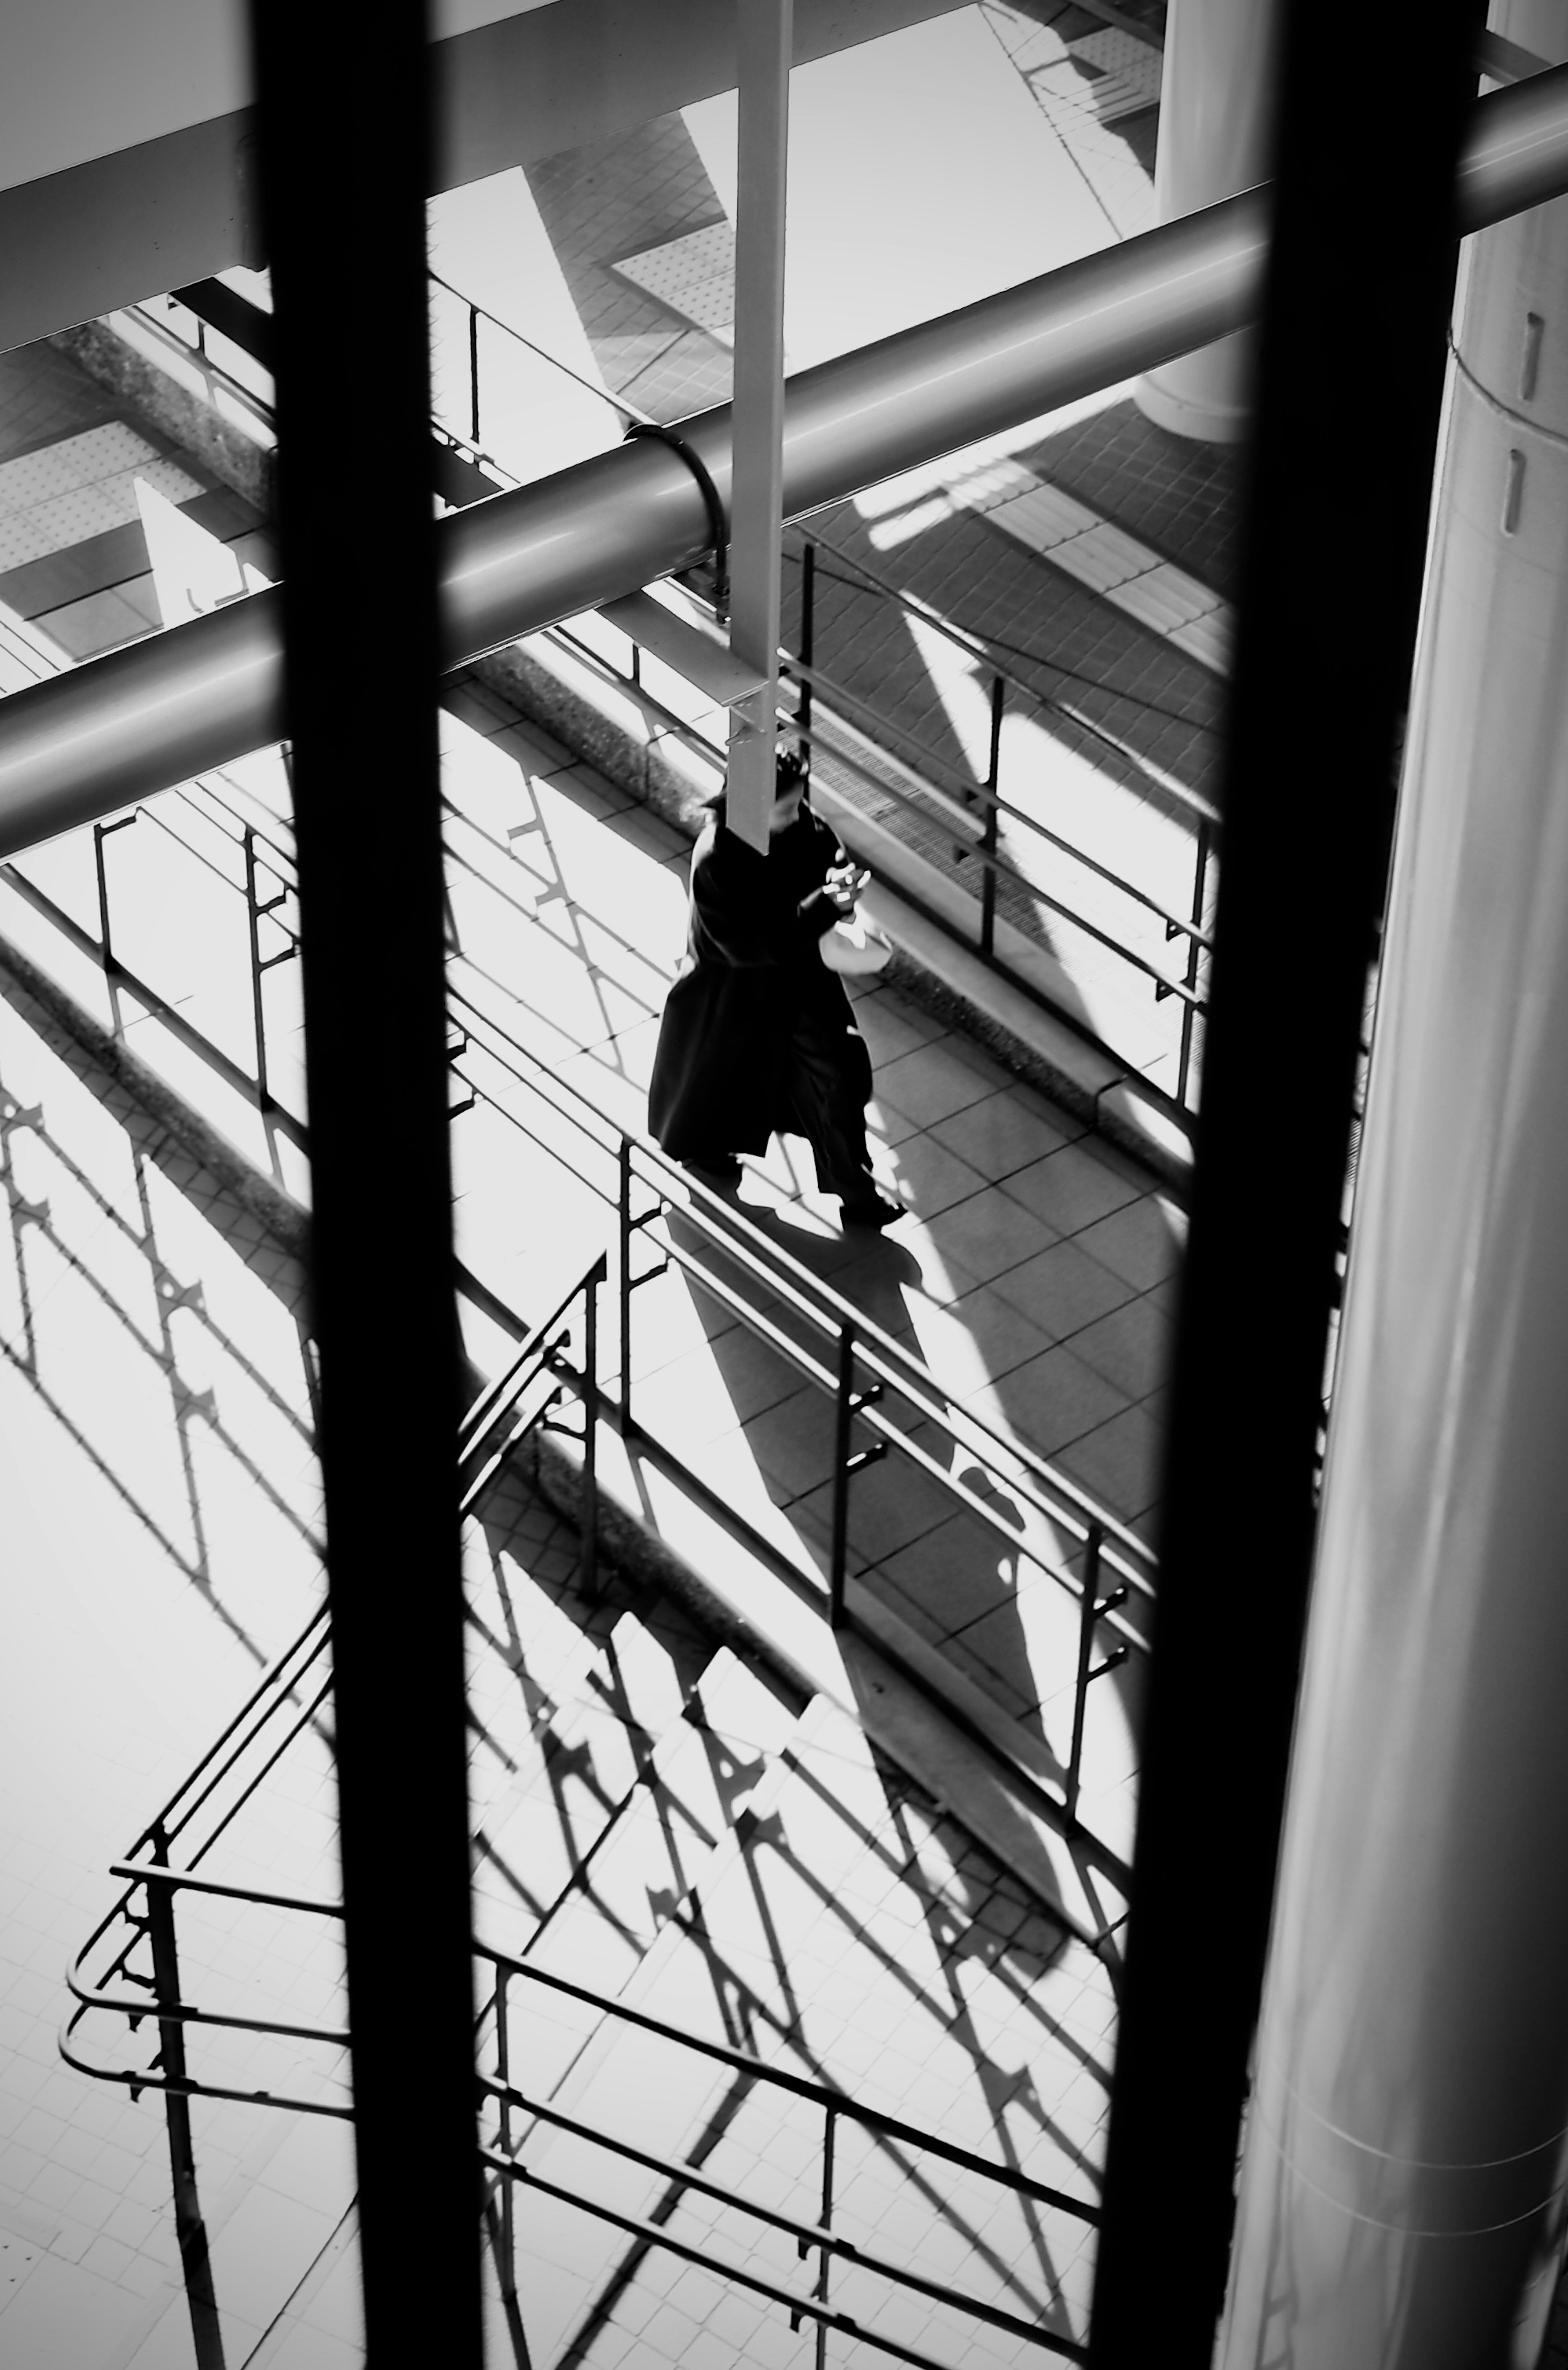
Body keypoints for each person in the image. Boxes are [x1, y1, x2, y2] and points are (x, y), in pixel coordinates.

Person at [648, 749, 901, 1227]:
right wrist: (829, 904)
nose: (797, 815)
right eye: (785, 808)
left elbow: (828, 855)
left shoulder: (803, 825)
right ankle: (710, 1150)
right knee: (725, 1085)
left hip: (795, 984)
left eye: (798, 805)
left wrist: (840, 889)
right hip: (734, 998)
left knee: (838, 1084)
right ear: (745, 804)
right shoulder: (718, 857)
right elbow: (752, 946)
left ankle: (858, 1193)